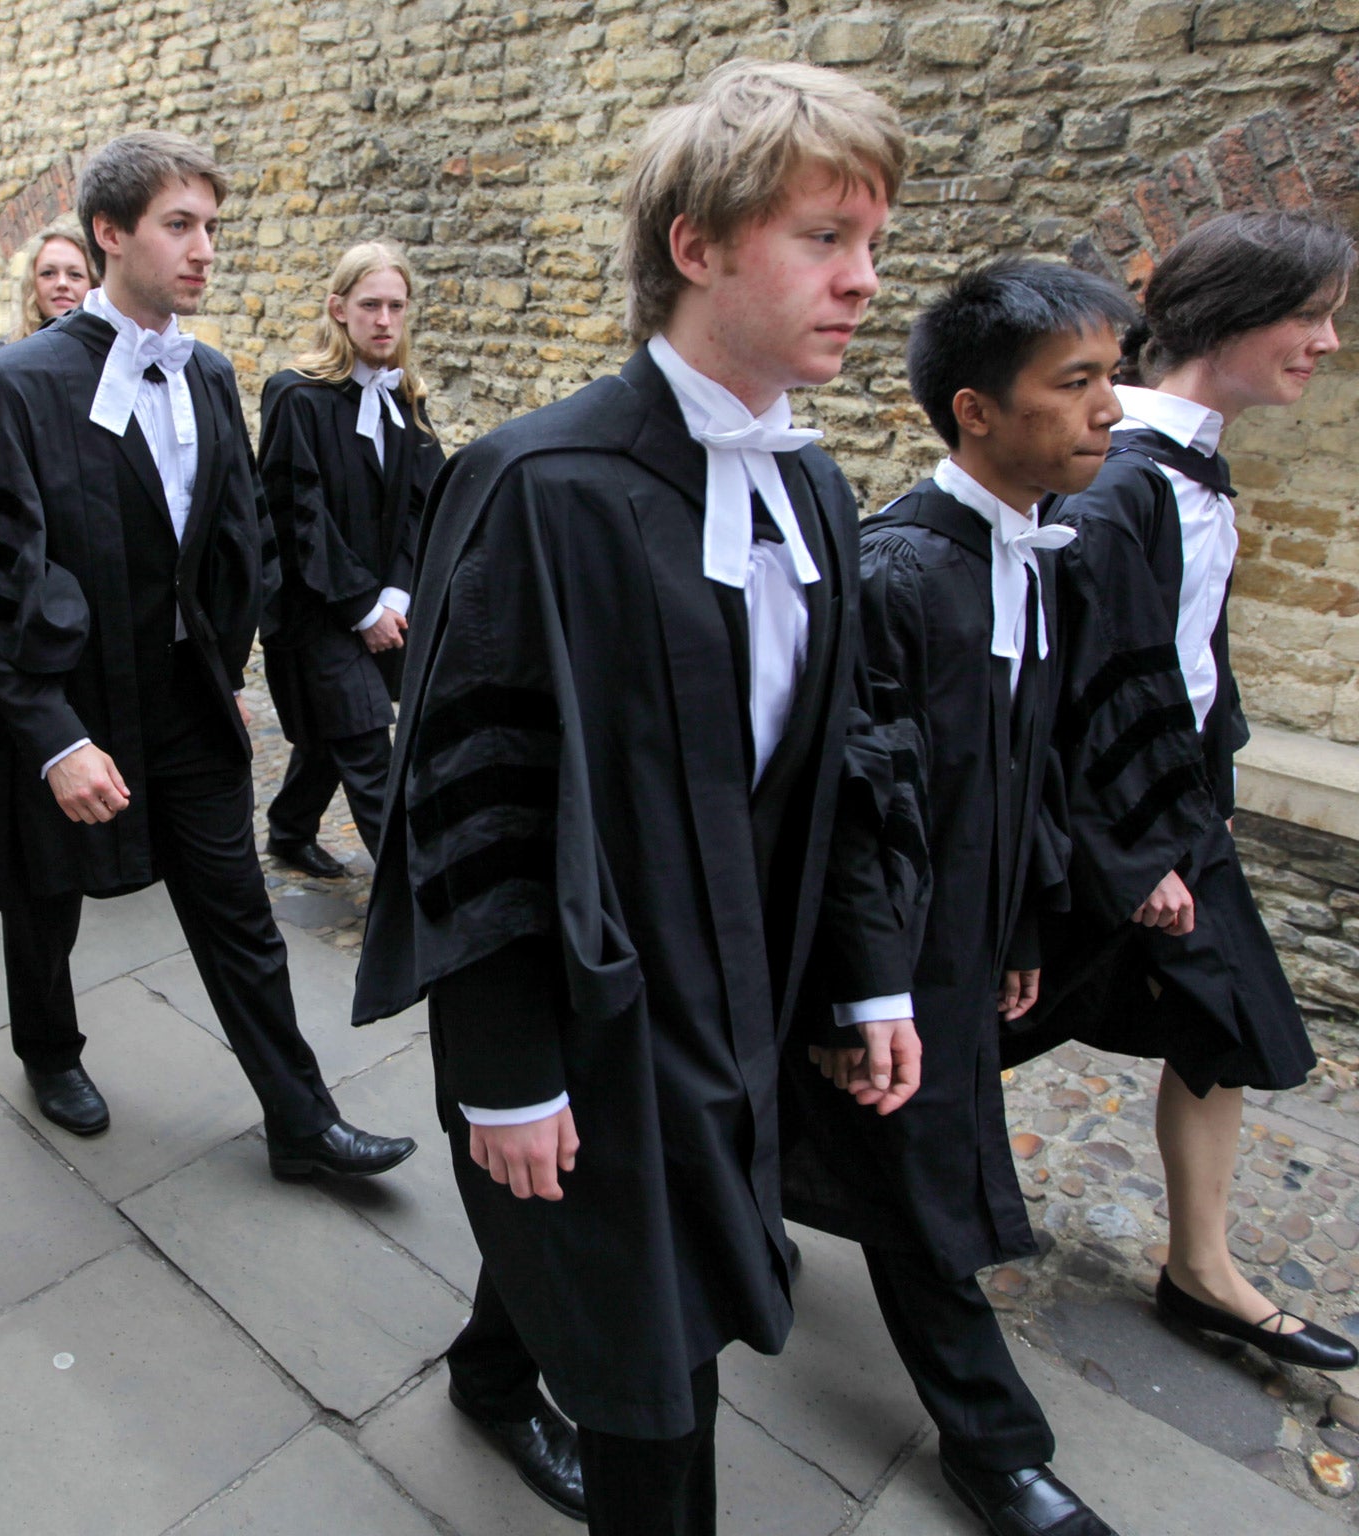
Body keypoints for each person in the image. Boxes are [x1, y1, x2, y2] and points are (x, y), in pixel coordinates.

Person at [354, 62, 923, 1534]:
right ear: (696, 245)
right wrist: (505, 1073)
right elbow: (467, 798)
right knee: (657, 1391)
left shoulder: (814, 492)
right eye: (825, 238)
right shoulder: (538, 487)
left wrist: (868, 982)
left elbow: (846, 758)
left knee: (623, 1278)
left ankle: (495, 1370)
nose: (866, 282)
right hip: (591, 1020)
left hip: (741, 1007)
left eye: (874, 243)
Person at [0, 130, 415, 1176]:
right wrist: (55, 739)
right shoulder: (14, 387)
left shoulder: (207, 373)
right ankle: (48, 1051)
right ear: (109, 233)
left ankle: (301, 1120)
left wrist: (222, 670)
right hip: (62, 705)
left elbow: (231, 543)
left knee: (237, 911)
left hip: (185, 707)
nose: (203, 250)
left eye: (210, 228)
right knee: (43, 898)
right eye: (177, 226)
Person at [783, 260, 1135, 1536]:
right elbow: (851, 805)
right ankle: (993, 1446)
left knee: (880, 1147)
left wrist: (1027, 920)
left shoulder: (1037, 552)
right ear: (975, 410)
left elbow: (1022, 762)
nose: (1109, 408)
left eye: (1110, 376)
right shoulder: (893, 575)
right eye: (1077, 381)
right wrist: (852, 986)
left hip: (966, 934)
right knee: (921, 1181)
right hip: (884, 949)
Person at [1010, 211, 1358, 1375]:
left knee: (1225, 1020)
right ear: (1230, 320)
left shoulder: (1183, 473)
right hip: (1105, 832)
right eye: (1307, 316)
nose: (1325, 341)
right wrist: (1134, 852)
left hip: (1171, 819)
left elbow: (1187, 672)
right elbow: (1078, 697)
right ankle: (759, 1168)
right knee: (958, 1023)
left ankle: (1200, 1272)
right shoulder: (1119, 491)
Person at [258, 240, 444, 877]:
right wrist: (363, 606)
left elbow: (426, 505)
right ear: (339, 308)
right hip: (317, 610)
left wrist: (397, 594)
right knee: (368, 745)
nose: (385, 320)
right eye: (370, 305)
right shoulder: (295, 397)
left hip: (380, 604)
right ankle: (414, 897)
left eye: (396, 305)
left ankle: (288, 829)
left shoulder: (404, 399)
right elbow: (296, 514)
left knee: (334, 733)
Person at [7, 223, 93, 341]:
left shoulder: (114, 354)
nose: (62, 283)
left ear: (93, 284)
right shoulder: (0, 356)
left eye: (74, 275)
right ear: (32, 283)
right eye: (48, 273)